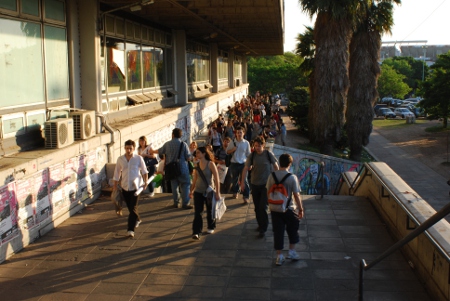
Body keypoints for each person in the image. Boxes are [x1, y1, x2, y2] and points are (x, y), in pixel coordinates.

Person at [266, 153, 304, 266]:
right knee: (293, 229)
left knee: (278, 232)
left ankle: (279, 256)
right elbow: (296, 195)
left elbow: (268, 190)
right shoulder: (292, 177)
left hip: (274, 208)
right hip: (289, 208)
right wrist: (301, 209)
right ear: (289, 164)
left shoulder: (271, 176)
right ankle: (291, 252)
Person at [241, 136, 279, 238]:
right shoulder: (252, 155)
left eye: (259, 146)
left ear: (263, 145)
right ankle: (260, 224)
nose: (257, 148)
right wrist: (242, 182)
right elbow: (245, 168)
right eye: (255, 146)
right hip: (255, 184)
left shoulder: (268, 154)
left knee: (263, 207)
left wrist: (276, 179)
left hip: (266, 185)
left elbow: (276, 166)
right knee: (257, 208)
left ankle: (263, 228)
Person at [113, 139, 149, 238]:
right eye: (127, 148)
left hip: (136, 188)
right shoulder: (120, 159)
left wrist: (145, 182)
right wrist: (115, 185)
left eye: (130, 148)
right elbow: (117, 173)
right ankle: (138, 219)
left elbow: (145, 171)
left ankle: (130, 230)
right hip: (125, 187)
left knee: (133, 208)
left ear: (133, 148)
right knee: (130, 208)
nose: (128, 150)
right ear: (124, 148)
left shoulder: (138, 158)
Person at [189, 147, 221, 240]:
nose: (196, 154)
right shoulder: (197, 165)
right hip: (198, 191)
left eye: (198, 153)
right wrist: (191, 190)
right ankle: (196, 232)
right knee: (198, 212)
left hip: (209, 191)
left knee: (210, 210)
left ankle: (211, 226)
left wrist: (217, 192)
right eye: (196, 153)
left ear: (204, 154)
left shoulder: (211, 164)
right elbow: (195, 179)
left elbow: (217, 179)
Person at [158, 128, 193, 209]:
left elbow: (161, 151)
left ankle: (176, 203)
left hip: (172, 169)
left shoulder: (167, 144)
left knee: (174, 185)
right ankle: (185, 203)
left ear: (173, 135)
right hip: (182, 168)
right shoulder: (183, 144)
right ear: (180, 135)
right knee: (185, 185)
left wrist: (152, 151)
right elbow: (188, 157)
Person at [227, 126, 251, 203]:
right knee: (234, 179)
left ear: (243, 133)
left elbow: (248, 154)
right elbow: (227, 151)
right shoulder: (232, 142)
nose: (239, 134)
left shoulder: (246, 143)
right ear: (236, 134)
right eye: (238, 132)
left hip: (243, 164)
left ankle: (246, 196)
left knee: (244, 180)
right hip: (234, 163)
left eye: (241, 132)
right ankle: (235, 192)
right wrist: (233, 149)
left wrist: (250, 164)